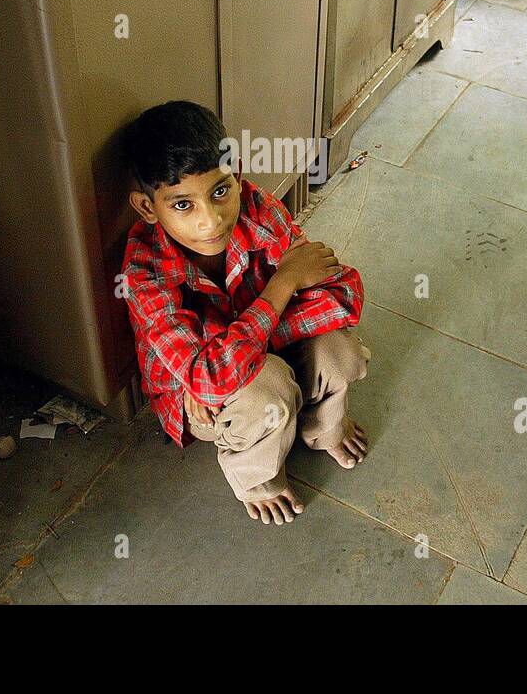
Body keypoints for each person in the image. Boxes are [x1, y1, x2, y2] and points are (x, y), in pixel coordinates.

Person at [120, 101, 371, 525]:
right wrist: (283, 284)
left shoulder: (258, 208)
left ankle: (323, 425)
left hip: (226, 371)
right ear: (148, 208)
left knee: (339, 350)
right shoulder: (143, 272)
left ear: (236, 176)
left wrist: (229, 356)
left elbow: (343, 294)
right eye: (182, 205)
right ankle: (257, 478)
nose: (211, 220)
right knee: (263, 388)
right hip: (199, 403)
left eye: (220, 191)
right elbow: (211, 378)